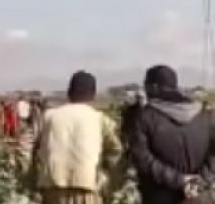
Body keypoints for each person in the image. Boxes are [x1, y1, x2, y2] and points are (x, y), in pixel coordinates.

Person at [32, 71, 122, 204]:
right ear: (93, 95)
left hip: (53, 186)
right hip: (87, 185)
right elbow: (116, 150)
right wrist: (104, 170)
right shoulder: (99, 118)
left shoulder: (49, 116)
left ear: (69, 92)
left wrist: (32, 179)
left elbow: (33, 149)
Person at [130, 65, 214, 204]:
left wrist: (180, 180)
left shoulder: (144, 117)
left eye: (146, 85)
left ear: (155, 87)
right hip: (200, 197)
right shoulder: (205, 115)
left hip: (160, 197)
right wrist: (200, 181)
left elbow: (142, 159)